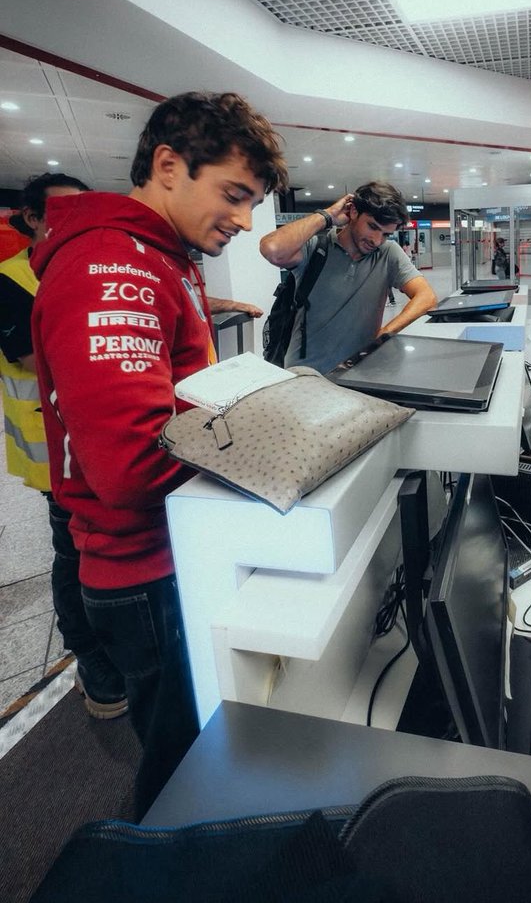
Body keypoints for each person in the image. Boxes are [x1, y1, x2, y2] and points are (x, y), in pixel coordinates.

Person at [31, 91, 288, 816]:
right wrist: (268, 432)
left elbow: (180, 398)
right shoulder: (112, 264)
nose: (243, 220)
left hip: (180, 549)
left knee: (203, 753)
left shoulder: (163, 255)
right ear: (169, 165)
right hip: (148, 572)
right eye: (234, 195)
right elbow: (134, 464)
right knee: (183, 775)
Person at [1, 173, 128, 718]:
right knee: (71, 553)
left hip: (104, 443)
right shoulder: (10, 279)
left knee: (110, 552)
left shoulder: (88, 264)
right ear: (31, 218)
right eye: (63, 211)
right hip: (53, 451)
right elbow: (42, 360)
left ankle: (119, 641)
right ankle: (90, 657)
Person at [259, 182, 437, 374]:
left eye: (386, 234)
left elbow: (426, 297)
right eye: (372, 226)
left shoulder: (387, 253)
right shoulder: (317, 248)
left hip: (358, 372)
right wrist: (328, 215)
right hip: (307, 373)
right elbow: (273, 249)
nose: (376, 240)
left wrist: (384, 334)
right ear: (353, 211)